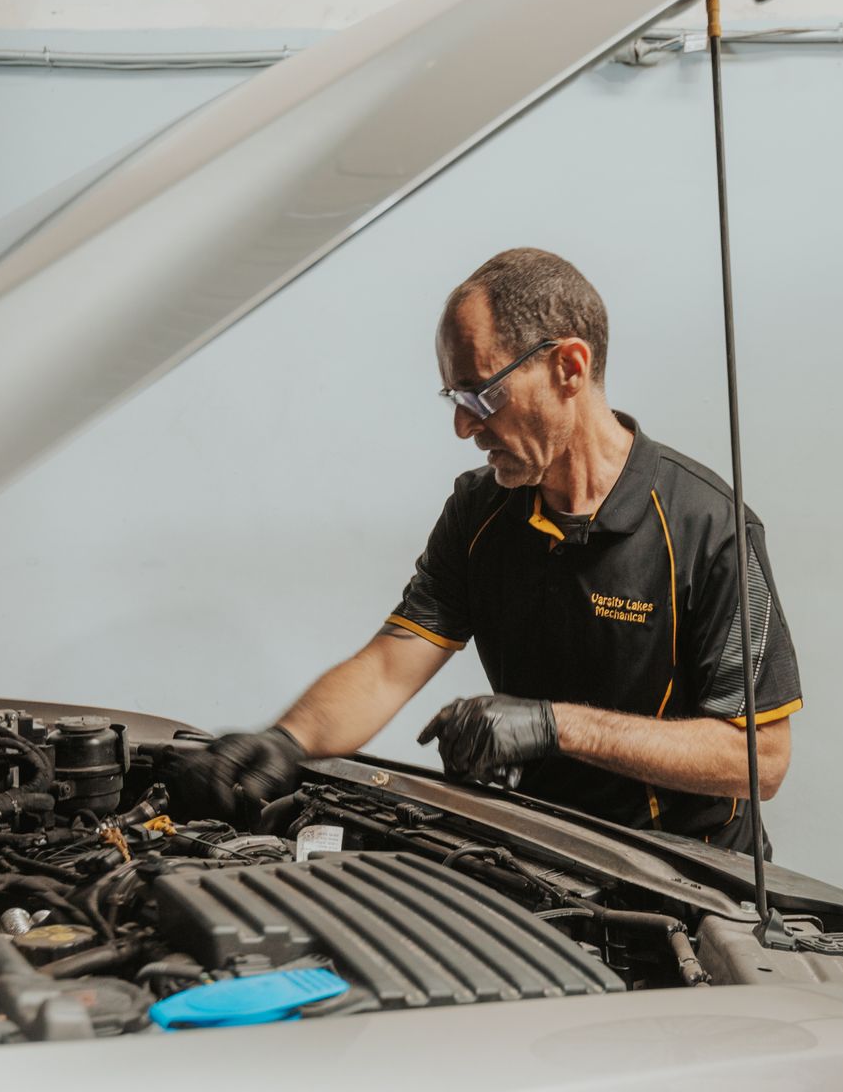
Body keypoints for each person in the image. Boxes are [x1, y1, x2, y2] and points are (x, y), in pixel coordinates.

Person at [182, 248, 801, 853]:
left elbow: (761, 761)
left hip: (685, 882)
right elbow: (388, 668)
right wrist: (287, 740)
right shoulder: (481, 511)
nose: (464, 427)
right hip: (539, 854)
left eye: (481, 394)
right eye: (455, 399)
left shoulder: (709, 527)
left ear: (569, 368)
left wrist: (553, 726)